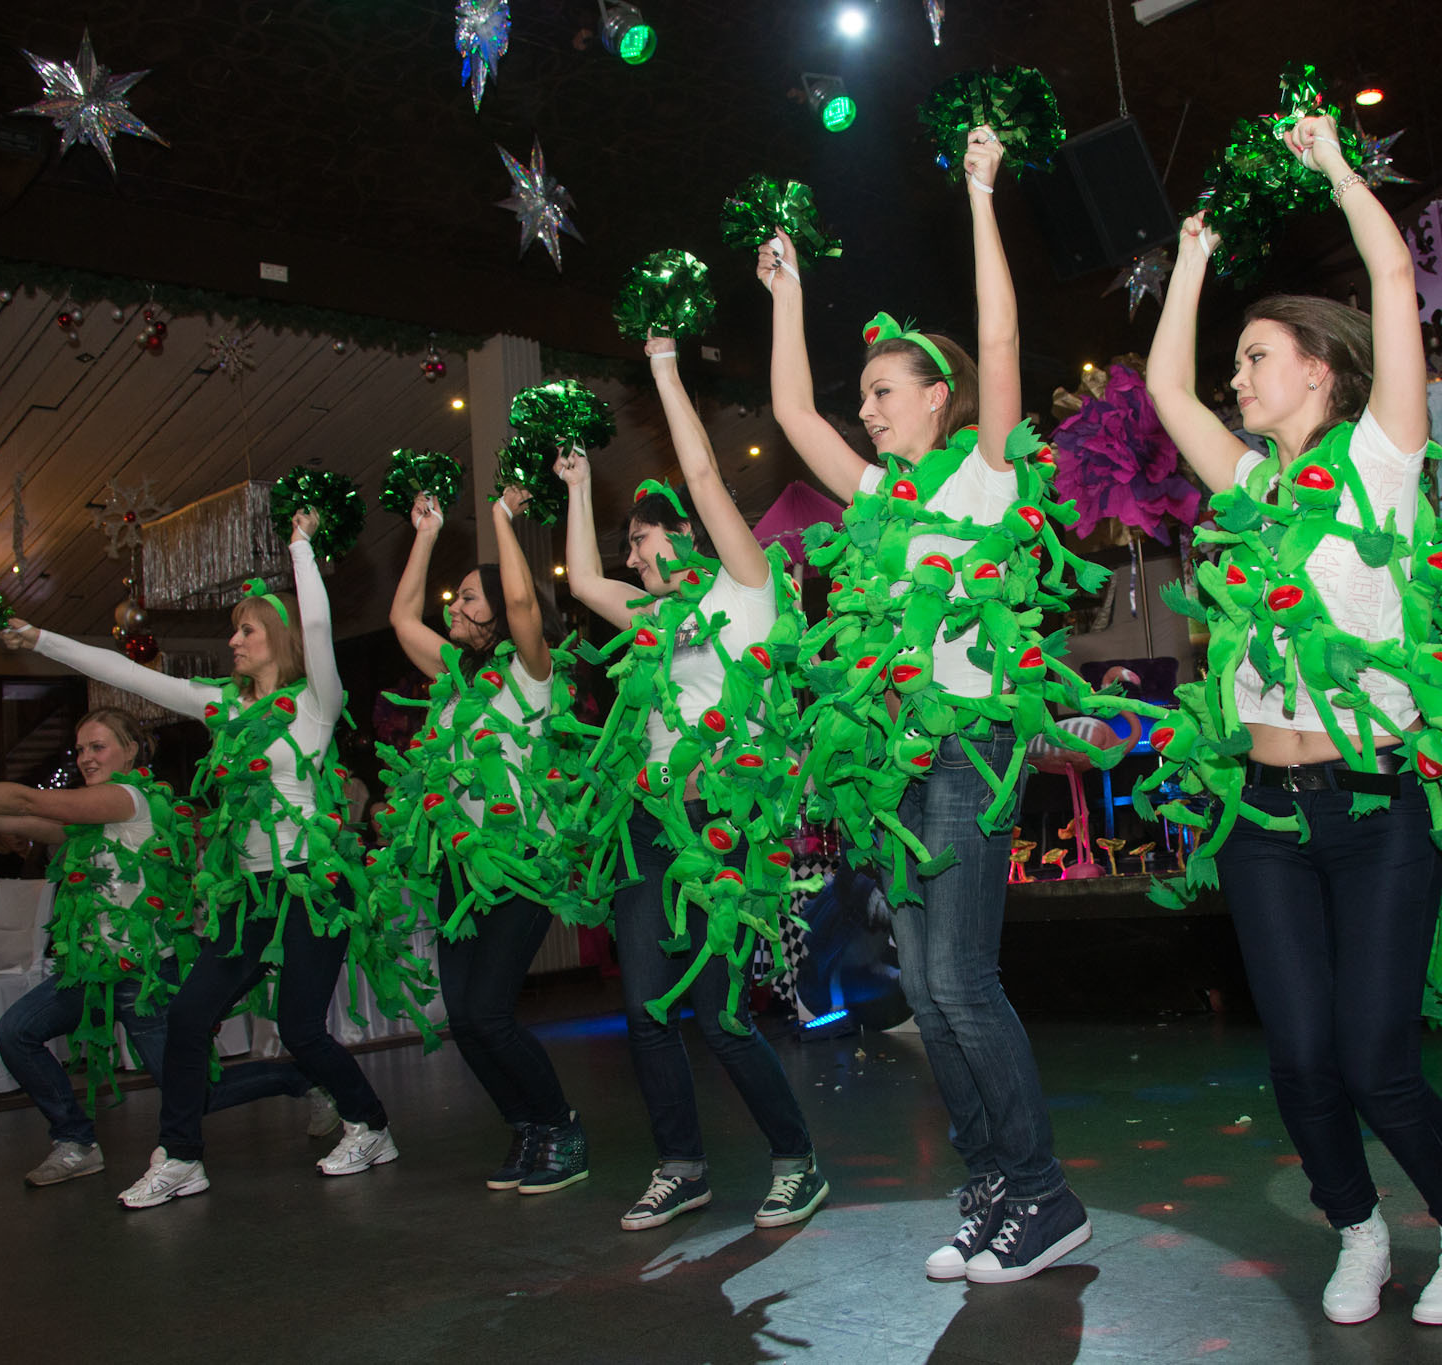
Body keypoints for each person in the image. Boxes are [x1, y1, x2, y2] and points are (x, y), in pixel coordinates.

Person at [1141, 111, 1442, 1326]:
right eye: (1236, 361)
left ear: (1318, 369)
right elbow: (1162, 387)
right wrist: (1191, 256)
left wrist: (1336, 172)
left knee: (1373, 1062)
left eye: (1256, 357)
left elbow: (1393, 278)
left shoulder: (1380, 465)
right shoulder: (1248, 491)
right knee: (1298, 1060)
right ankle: (1356, 1231)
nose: (1235, 378)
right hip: (1262, 816)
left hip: (1372, 810)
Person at [761, 125, 1088, 1284]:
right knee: (929, 997)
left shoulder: (985, 478)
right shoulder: (877, 503)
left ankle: (1042, 1194)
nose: (865, 411)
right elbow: (792, 413)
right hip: (894, 770)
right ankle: (992, 1183)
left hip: (969, 749)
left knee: (960, 981)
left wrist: (981, 194)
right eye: (862, 396)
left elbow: (998, 338)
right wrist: (786, 294)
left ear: (939, 398)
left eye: (882, 392)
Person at [0, 508, 405, 1209]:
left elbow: (316, 628)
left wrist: (301, 548)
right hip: (248, 894)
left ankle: (369, 1124)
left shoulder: (315, 705)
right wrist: (42, 639)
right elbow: (124, 672)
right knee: (189, 1018)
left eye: (246, 630)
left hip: (311, 885)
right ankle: (181, 1156)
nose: (233, 640)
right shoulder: (221, 706)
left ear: (276, 638)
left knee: (302, 1027)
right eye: (234, 629)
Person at [555, 334, 827, 1234]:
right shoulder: (651, 616)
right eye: (630, 547)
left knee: (720, 1015)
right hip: (650, 821)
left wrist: (666, 371)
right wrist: (577, 486)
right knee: (644, 1008)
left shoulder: (744, 590)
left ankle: (795, 1159)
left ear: (680, 533)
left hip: (724, 822)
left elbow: (705, 477)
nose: (631, 559)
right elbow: (582, 579)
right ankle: (681, 1165)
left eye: (640, 541)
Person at [0, 709, 317, 1187]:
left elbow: (25, 801)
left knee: (197, 1093)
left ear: (130, 751)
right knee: (15, 1033)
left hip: (145, 975)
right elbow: (15, 818)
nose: (85, 757)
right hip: (92, 971)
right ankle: (75, 1141)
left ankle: (303, 1078)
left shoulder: (130, 799)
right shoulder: (89, 821)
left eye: (97, 747)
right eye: (80, 749)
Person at [376, 481, 585, 1194]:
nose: (456, 607)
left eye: (470, 597)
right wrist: (426, 534)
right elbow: (401, 617)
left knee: (491, 1012)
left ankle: (561, 1126)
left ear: (499, 606)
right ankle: (526, 1127)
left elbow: (524, 606)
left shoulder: (532, 672)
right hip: (462, 872)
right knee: (464, 1019)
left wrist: (501, 517)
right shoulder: (459, 678)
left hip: (522, 866)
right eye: (457, 597)